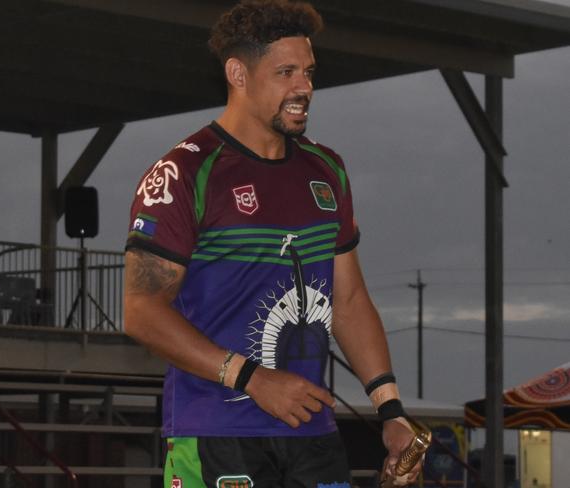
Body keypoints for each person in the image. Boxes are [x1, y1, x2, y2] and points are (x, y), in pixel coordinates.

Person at [124, 1, 422, 486]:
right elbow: (141, 311)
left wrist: (391, 411)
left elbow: (347, 301)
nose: (303, 87)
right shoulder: (184, 172)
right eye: (285, 72)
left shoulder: (327, 169)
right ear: (237, 73)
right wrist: (252, 379)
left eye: (308, 72)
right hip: (216, 434)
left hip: (311, 431)